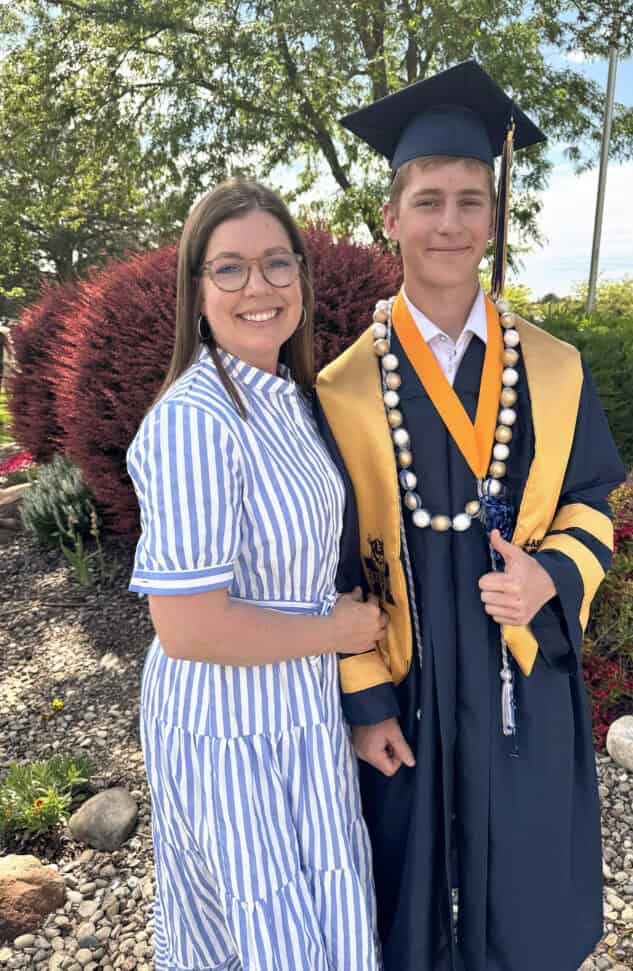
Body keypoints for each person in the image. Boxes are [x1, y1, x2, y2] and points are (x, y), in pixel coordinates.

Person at [314, 61, 626, 971]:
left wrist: (553, 575)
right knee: (402, 891)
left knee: (524, 891)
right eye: (427, 200)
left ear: (493, 220)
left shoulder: (557, 369)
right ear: (392, 218)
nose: (448, 222)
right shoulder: (343, 387)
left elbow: (594, 502)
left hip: (517, 669)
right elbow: (326, 559)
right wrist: (365, 699)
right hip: (406, 676)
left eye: (468, 201)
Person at [126, 177, 385, 971]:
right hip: (228, 726)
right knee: (269, 938)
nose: (259, 287)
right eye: (229, 268)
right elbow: (189, 626)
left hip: (296, 706)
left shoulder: (288, 399)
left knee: (320, 917)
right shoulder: (195, 421)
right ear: (197, 289)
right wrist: (338, 631)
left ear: (301, 278)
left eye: (278, 263)